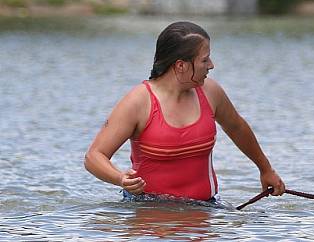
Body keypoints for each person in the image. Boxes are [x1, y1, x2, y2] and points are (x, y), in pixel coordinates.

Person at [84, 21, 285, 202]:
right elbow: (94, 156)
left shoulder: (210, 92)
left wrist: (266, 169)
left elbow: (236, 127)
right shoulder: (138, 102)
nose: (211, 65)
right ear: (180, 65)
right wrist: (120, 178)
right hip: (148, 211)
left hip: (205, 208)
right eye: (205, 60)